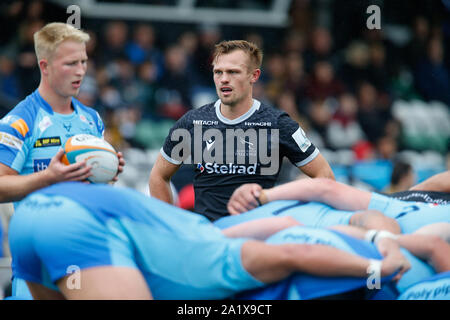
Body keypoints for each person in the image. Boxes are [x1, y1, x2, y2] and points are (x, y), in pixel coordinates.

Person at [8, 181, 408, 300]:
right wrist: (376, 266)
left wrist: (378, 239)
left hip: (31, 212)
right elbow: (295, 252)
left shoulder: (207, 232)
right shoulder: (229, 258)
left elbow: (288, 236)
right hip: (79, 222)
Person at [0, 22, 124, 298]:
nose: (81, 71)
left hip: (85, 258)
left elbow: (95, 192)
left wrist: (107, 172)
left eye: (83, 61)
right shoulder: (19, 122)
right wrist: (50, 177)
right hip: (38, 264)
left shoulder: (92, 119)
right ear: (45, 66)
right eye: (70, 64)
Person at [150, 40, 334, 221]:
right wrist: (170, 224)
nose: (223, 79)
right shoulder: (192, 122)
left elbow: (325, 175)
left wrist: (296, 214)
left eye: (233, 72)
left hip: (257, 237)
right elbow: (158, 176)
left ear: (254, 76)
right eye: (218, 72)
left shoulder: (279, 124)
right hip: (210, 237)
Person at [221, 176, 449, 235]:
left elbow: (322, 188)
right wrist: (259, 195)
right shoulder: (396, 205)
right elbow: (323, 188)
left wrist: (260, 195)